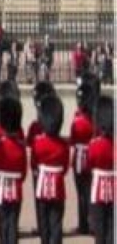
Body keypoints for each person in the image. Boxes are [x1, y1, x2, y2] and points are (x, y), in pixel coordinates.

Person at [30, 94, 68, 244]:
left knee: (44, 219)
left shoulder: (38, 143)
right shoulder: (64, 145)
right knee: (56, 220)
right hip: (58, 186)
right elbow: (64, 168)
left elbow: (33, 163)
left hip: (42, 185)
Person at [0, 95, 25, 244]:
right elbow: (23, 173)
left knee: (3, 222)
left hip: (1, 187)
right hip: (16, 187)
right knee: (13, 221)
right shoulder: (21, 147)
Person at [70, 78, 98, 235]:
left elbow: (73, 140)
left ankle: (84, 224)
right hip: (92, 156)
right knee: (89, 191)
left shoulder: (78, 120)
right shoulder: (95, 120)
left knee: (82, 193)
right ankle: (91, 222)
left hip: (80, 158)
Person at [87, 94, 114, 244]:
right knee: (111, 224)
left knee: (100, 226)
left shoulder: (95, 144)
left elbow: (90, 164)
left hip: (98, 188)